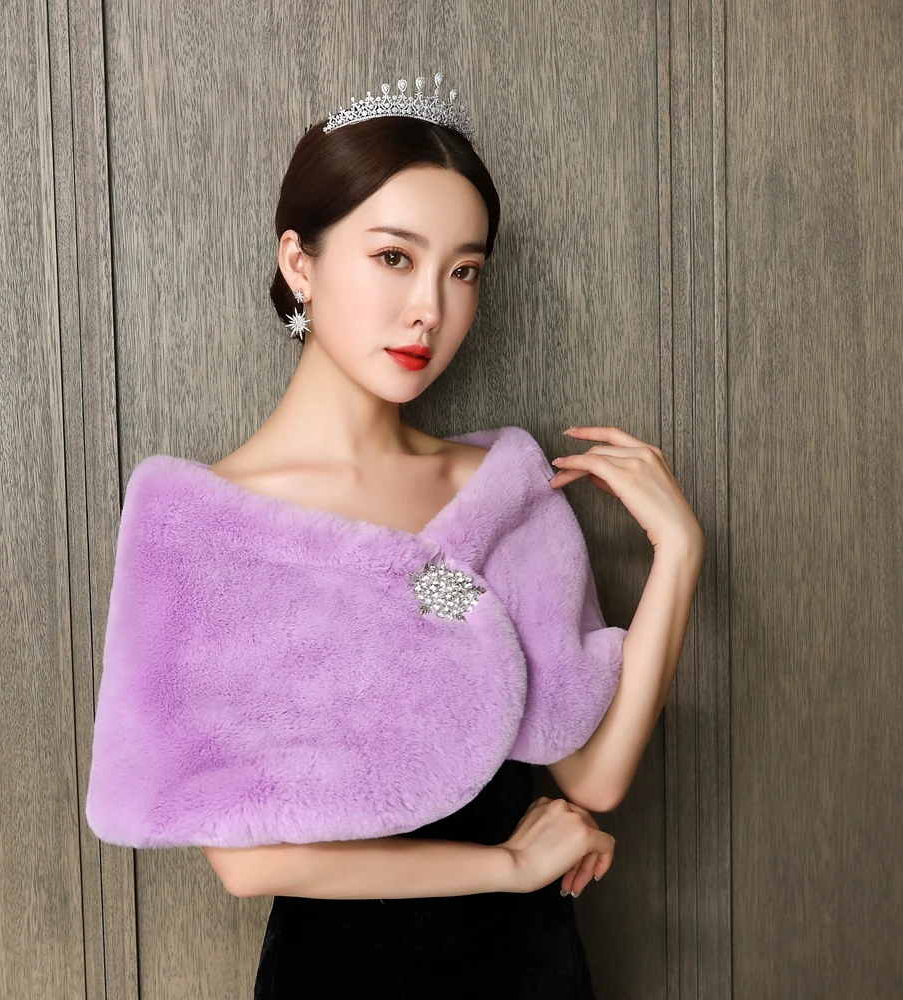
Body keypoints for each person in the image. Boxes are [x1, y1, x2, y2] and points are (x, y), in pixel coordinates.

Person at [188, 72, 705, 998]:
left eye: (464, 270)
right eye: (395, 256)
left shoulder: (499, 493)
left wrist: (679, 554)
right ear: (300, 262)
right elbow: (249, 860)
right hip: (336, 975)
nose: (431, 306)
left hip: (528, 967)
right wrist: (506, 865)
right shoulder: (219, 523)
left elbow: (592, 778)